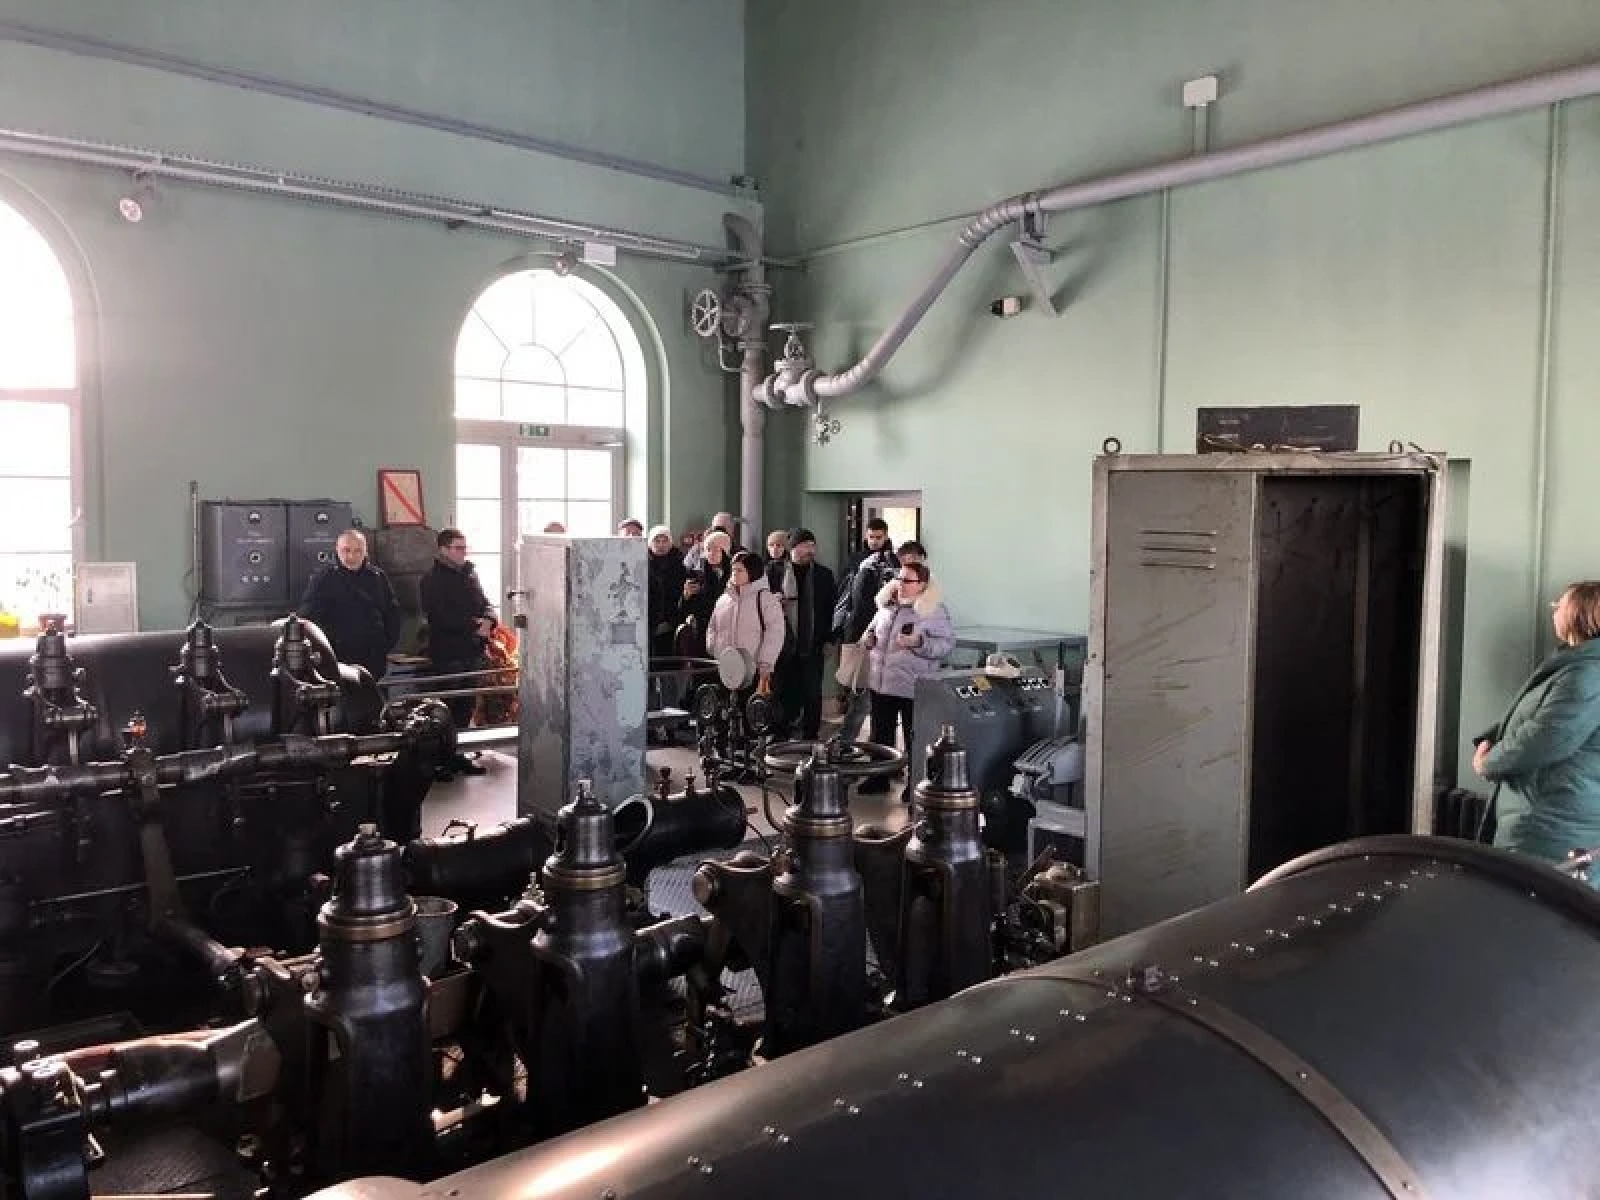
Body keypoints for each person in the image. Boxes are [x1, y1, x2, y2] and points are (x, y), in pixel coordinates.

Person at [1473, 581, 1600, 880]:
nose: (1553, 609)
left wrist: (1488, 762)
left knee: (1533, 902)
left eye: (1560, 604)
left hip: (1551, 825)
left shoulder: (1588, 673)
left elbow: (1546, 737)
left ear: (1579, 613)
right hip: (1549, 819)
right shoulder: (1577, 667)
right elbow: (1539, 719)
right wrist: (1490, 739)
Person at [860, 561, 954, 794]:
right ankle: (878, 778)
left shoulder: (933, 611)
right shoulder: (887, 605)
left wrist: (919, 642)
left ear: (922, 584)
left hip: (913, 685)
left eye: (907, 580)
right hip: (881, 683)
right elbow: (871, 629)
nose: (901, 584)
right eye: (899, 578)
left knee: (915, 737)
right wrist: (868, 639)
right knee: (880, 734)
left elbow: (946, 645)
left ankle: (916, 784)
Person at [419, 528, 497, 778]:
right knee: (447, 708)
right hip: (448, 652)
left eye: (465, 547)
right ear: (444, 550)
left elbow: (485, 603)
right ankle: (440, 761)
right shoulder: (432, 580)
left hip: (472, 650)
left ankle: (458, 754)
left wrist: (489, 620)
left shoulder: (470, 575)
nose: (464, 552)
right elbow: (440, 617)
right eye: (458, 548)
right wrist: (476, 625)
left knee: (466, 706)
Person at [296, 529, 401, 681]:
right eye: (346, 550)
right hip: (338, 660)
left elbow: (392, 614)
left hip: (373, 660)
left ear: (365, 551)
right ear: (337, 550)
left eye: (358, 551)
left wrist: (383, 645)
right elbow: (307, 618)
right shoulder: (324, 579)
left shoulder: (378, 577)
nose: (351, 556)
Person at [768, 528, 837, 740]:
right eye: (805, 545)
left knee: (812, 693)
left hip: (813, 644)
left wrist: (830, 639)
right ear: (793, 548)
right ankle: (780, 735)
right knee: (782, 691)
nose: (810, 550)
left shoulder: (824, 575)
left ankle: (810, 737)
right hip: (783, 644)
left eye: (812, 545)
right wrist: (773, 601)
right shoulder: (774, 572)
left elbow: (832, 609)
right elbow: (762, 603)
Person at [706, 551, 785, 695]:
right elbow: (713, 627)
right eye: (733, 570)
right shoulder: (723, 599)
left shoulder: (765, 599)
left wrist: (766, 662)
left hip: (754, 668)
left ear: (752, 572)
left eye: (740, 570)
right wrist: (714, 650)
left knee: (751, 705)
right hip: (726, 666)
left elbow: (775, 632)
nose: (735, 574)